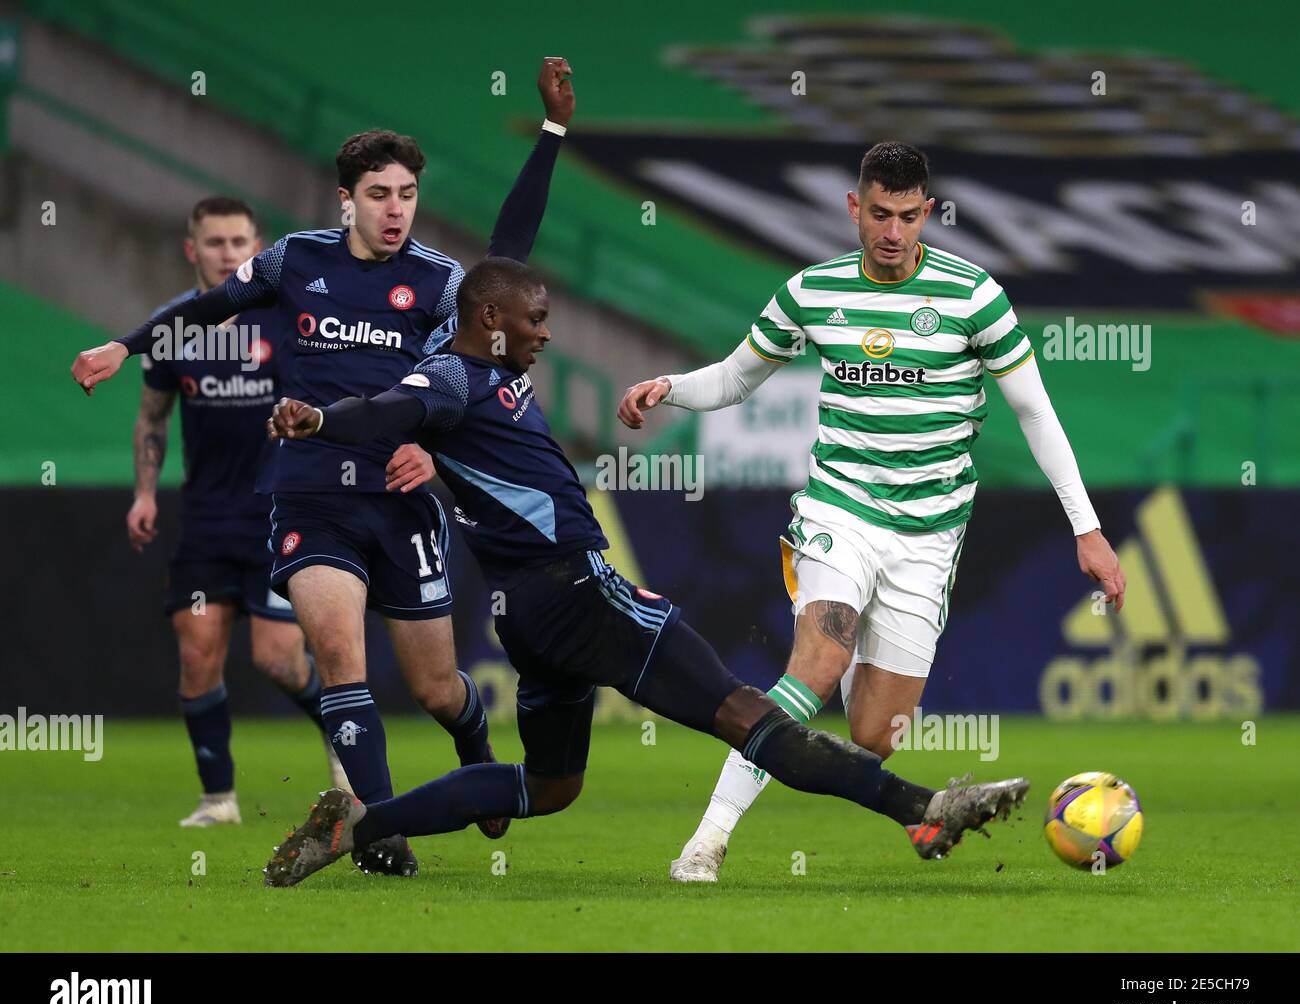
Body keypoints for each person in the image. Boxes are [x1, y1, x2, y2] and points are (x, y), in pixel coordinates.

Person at [259, 257, 1029, 888]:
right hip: (579, 592)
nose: (547, 331)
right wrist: (323, 419)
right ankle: (924, 810)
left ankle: (362, 823)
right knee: (752, 718)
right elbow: (387, 409)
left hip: (528, 616)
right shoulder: (453, 379)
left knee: (552, 786)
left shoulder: (487, 375)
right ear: (491, 321)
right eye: (536, 318)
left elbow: (433, 396)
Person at [72, 58, 578, 875]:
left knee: (438, 688)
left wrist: (552, 134)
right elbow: (207, 306)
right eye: (379, 195)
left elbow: (505, 268)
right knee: (341, 662)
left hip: (401, 496)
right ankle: (380, 834)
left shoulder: (442, 283)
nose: (395, 210)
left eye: (407, 194)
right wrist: (124, 345)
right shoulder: (294, 262)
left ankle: (473, 748)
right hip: (307, 490)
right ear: (346, 198)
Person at [618, 141, 1126, 882]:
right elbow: (733, 379)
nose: (893, 231)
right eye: (880, 214)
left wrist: (1087, 528)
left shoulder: (972, 295)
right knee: (817, 662)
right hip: (840, 510)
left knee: (874, 733)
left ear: (928, 212)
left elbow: (1034, 412)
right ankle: (707, 841)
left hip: (928, 535)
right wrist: (669, 384)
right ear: (855, 208)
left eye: (909, 216)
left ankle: (906, 797)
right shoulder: (811, 292)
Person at [132, 196, 360, 826]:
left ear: (256, 249)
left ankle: (341, 740)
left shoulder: (286, 318)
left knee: (278, 658)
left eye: (239, 243)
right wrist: (145, 492)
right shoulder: (175, 325)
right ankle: (218, 799)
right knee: (198, 651)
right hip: (207, 522)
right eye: (214, 243)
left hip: (280, 515)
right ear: (192, 250)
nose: (227, 253)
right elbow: (152, 417)